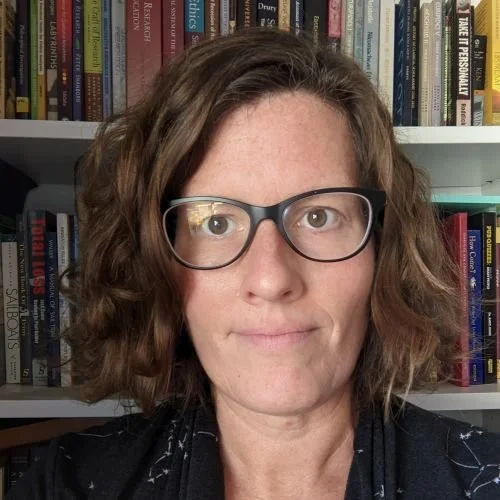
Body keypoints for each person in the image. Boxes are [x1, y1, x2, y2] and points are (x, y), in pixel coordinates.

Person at [8, 29, 500, 500]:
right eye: (216, 222)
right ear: (157, 260)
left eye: (318, 216)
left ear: (382, 250)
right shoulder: (65, 485)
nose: (270, 279)